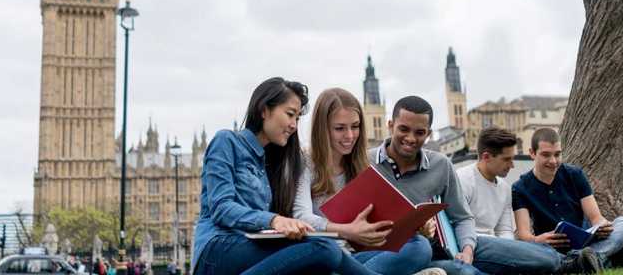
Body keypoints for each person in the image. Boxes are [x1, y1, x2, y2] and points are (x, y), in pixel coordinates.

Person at [192, 77, 381, 275]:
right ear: (264, 110)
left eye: (298, 118)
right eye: (290, 115)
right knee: (324, 248)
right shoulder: (227, 141)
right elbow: (221, 207)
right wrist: (274, 220)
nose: (294, 125)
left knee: (320, 258)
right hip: (217, 250)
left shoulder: (273, 161)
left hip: (251, 249)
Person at [293, 88, 435, 275]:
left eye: (355, 126)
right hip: (328, 258)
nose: (350, 136)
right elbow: (300, 217)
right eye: (340, 128)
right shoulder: (305, 162)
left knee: (420, 246)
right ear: (323, 129)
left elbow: (378, 221)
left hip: (358, 256)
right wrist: (347, 231)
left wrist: (411, 226)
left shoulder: (361, 164)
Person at [457, 127, 601, 274]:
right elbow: (459, 225)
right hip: (474, 245)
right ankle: (571, 262)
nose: (512, 165)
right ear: (486, 157)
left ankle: (571, 260)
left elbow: (505, 230)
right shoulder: (462, 180)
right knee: (544, 255)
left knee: (536, 250)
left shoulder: (505, 188)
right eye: (507, 159)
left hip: (498, 248)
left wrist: (513, 252)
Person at [367, 96, 485, 275]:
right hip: (376, 253)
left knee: (466, 270)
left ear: (428, 134)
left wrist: (467, 251)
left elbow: (462, 217)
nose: (411, 138)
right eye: (403, 129)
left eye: (419, 132)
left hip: (425, 252)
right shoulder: (363, 162)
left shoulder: (441, 165)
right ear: (390, 126)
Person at [512, 127, 623, 271]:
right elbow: (523, 234)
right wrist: (537, 239)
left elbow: (596, 217)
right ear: (532, 153)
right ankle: (596, 257)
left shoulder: (575, 174)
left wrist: (602, 225)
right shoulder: (520, 188)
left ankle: (588, 258)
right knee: (537, 255)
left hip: (587, 244)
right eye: (546, 155)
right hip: (551, 249)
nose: (553, 161)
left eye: (557, 154)